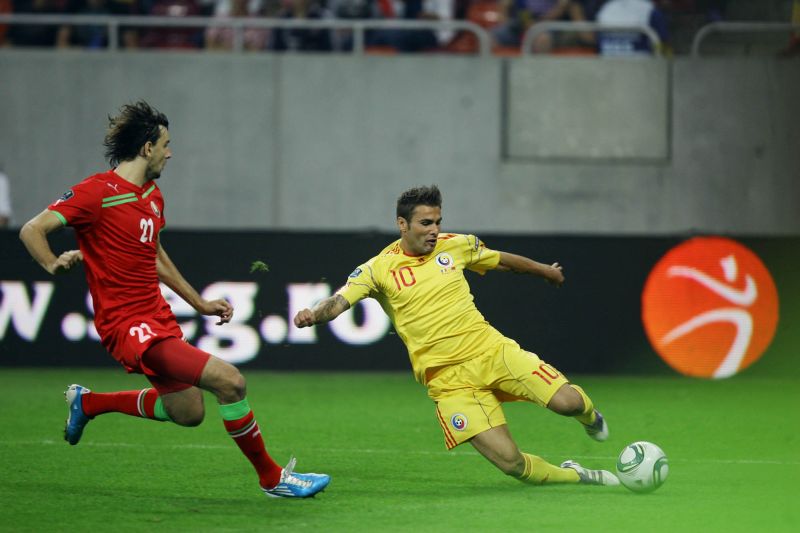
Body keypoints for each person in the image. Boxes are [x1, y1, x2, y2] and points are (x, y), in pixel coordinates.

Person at [18, 101, 330, 499]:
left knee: (188, 412)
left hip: (156, 317)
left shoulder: (151, 195)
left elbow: (156, 257)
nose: (170, 152)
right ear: (147, 148)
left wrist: (198, 302)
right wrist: (51, 263)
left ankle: (89, 402)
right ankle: (273, 479)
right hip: (128, 326)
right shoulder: (96, 193)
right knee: (231, 382)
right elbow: (32, 229)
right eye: (166, 144)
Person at [293, 185, 619, 487]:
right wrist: (314, 315)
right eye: (425, 223)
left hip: (491, 351)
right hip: (448, 380)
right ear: (402, 225)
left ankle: (590, 417)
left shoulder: (456, 245)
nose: (433, 230)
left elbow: (501, 260)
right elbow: (338, 301)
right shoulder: (377, 269)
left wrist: (545, 270)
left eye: (437, 221)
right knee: (512, 464)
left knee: (568, 403)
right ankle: (576, 475)